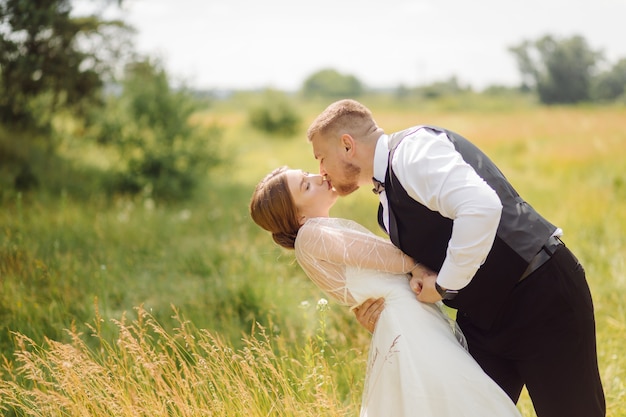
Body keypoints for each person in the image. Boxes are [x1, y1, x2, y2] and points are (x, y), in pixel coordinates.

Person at [306, 99, 606, 417]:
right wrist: (381, 311)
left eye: (321, 158)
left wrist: (445, 284)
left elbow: (481, 207)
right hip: (481, 321)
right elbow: (428, 264)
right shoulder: (386, 208)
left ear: (347, 145)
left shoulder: (413, 152)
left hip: (540, 296)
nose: (320, 172)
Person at [250, 166, 522, 417]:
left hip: (409, 321)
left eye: (307, 174)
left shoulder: (315, 235)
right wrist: (418, 265)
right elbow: (377, 255)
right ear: (300, 216)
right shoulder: (310, 235)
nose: (317, 177)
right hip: (408, 326)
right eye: (305, 186)